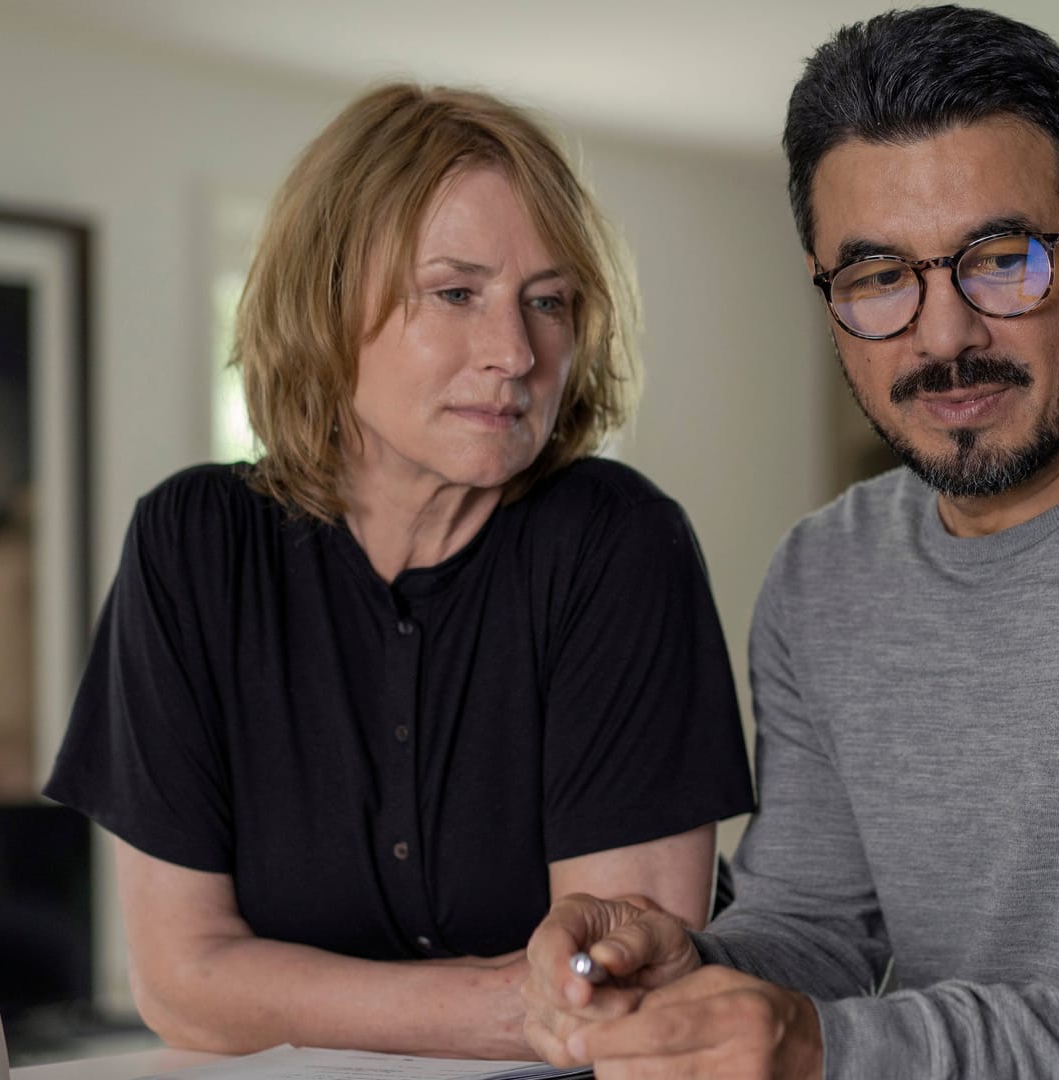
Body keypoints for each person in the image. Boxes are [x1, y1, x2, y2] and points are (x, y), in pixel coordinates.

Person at [520, 6, 1059, 1078]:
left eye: (1001, 259)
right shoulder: (823, 572)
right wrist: (689, 972)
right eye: (879, 277)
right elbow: (815, 931)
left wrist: (827, 1048)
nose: (944, 337)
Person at [44, 83, 754, 1059]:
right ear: (330, 303)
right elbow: (180, 982)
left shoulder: (618, 545)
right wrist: (511, 1000)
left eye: (546, 302)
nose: (513, 353)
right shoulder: (192, 545)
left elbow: (616, 1004)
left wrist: (277, 991)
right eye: (456, 293)